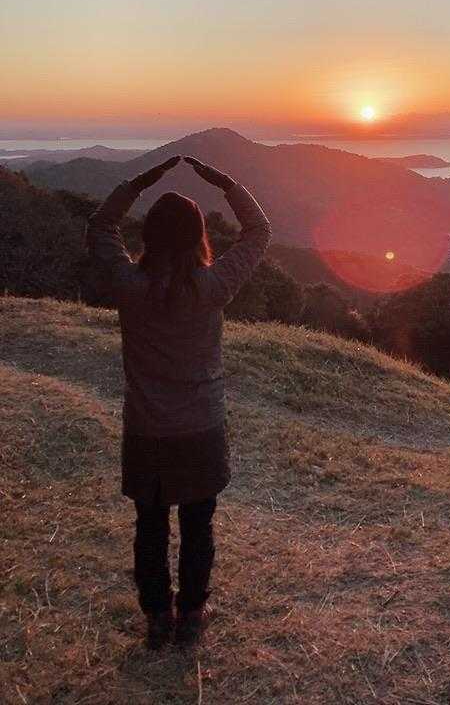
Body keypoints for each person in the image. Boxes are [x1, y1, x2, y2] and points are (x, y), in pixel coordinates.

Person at [86, 155, 271, 648]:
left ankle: (157, 616)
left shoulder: (131, 286)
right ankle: (190, 614)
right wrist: (228, 183)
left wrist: (136, 184)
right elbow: (258, 232)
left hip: (146, 427)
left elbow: (100, 226)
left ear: (149, 236)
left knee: (149, 526)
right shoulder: (212, 287)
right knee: (197, 526)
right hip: (200, 428)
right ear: (198, 237)